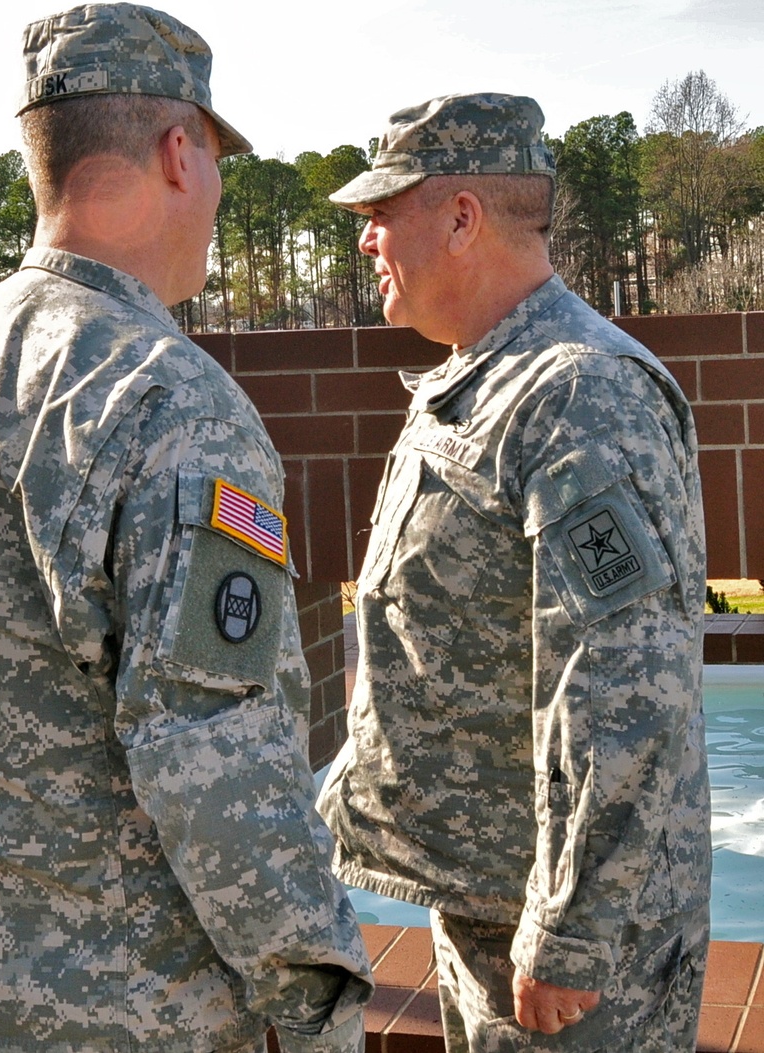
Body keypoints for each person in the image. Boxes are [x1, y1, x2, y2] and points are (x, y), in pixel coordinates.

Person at [0, 5, 372, 1052]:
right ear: (179, 151)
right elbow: (217, 758)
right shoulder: (173, 401)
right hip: (128, 1021)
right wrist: (316, 1008)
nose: (215, 196)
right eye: (215, 161)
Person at [317, 93, 711, 1052]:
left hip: (572, 943)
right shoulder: (485, 375)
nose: (366, 240)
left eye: (382, 213)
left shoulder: (578, 392)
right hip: (488, 899)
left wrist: (571, 927)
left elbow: (621, 678)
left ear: (461, 216)